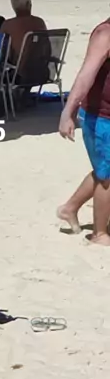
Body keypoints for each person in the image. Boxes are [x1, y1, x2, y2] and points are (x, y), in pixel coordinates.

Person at [57, 19, 110, 244]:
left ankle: (70, 208)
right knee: (107, 175)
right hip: (101, 117)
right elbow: (85, 75)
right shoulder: (105, 34)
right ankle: (99, 234)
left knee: (104, 169)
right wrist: (67, 112)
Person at [0, 0, 47, 64]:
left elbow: (1, 53)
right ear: (28, 4)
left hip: (17, 69)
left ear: (13, 7)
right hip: (40, 68)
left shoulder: (7, 25)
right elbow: (47, 49)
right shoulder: (39, 22)